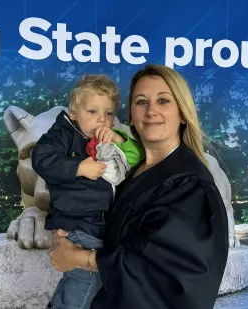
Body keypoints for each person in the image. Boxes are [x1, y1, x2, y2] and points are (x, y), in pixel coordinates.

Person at [48, 64, 230, 309]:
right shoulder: (128, 171)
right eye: (141, 102)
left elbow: (159, 267)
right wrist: (65, 233)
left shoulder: (190, 184)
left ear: (183, 113)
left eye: (163, 101)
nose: (151, 111)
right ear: (131, 115)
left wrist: (76, 258)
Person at [31, 74, 144, 309]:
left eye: (108, 113)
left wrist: (119, 140)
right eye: (92, 112)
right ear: (73, 113)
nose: (101, 120)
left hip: (100, 224)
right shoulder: (63, 135)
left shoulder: (109, 139)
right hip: (78, 222)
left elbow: (138, 156)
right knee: (87, 277)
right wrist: (79, 167)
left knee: (77, 279)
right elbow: (42, 159)